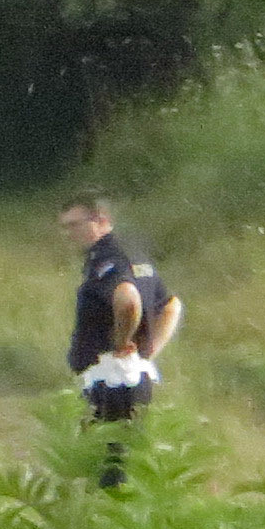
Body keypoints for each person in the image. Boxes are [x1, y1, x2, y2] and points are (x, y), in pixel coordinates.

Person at [56, 193, 179, 473]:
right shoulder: (133, 254)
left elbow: (128, 299)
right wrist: (148, 352)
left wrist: (122, 342)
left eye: (74, 225)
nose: (68, 234)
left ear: (100, 220)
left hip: (111, 380)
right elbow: (171, 305)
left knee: (107, 466)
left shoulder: (107, 260)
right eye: (65, 227)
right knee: (127, 459)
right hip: (133, 375)